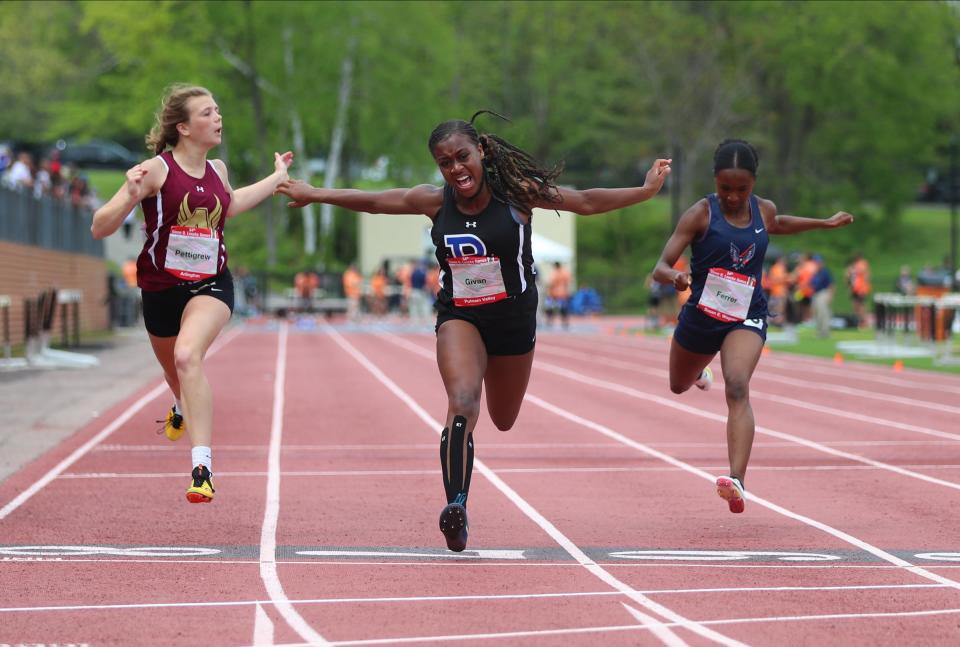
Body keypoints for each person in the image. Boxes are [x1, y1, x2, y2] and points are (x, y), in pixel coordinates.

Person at [278, 110, 671, 551]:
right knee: (462, 401)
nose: (456, 169)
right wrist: (315, 194)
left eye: (462, 157)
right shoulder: (433, 200)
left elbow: (585, 201)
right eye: (445, 163)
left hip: (514, 318)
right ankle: (457, 507)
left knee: (503, 419)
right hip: (460, 315)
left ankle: (460, 494)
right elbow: (372, 200)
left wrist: (644, 191)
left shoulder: (517, 195)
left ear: (480, 151)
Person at [91, 83, 293, 503]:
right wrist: (129, 196)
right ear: (183, 127)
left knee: (187, 356)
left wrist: (276, 179)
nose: (217, 118)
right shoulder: (157, 171)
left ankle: (202, 468)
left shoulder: (218, 169)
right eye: (207, 112)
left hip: (211, 283)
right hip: (161, 289)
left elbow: (230, 205)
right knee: (175, 373)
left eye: (218, 110)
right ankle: (181, 406)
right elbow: (100, 226)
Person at [651, 139, 852, 514]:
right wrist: (675, 278)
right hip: (702, 314)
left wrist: (823, 223)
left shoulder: (763, 210)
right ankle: (698, 371)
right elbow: (660, 265)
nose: (732, 196)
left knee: (739, 386)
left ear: (753, 184)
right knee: (678, 385)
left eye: (741, 189)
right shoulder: (700, 214)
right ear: (715, 181)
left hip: (747, 313)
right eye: (725, 188)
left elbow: (780, 223)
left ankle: (737, 480)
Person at [810, 255, 834, 338]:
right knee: (817, 313)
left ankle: (825, 332)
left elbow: (831, 284)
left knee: (823, 313)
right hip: (816, 294)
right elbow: (812, 284)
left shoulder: (825, 272)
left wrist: (830, 295)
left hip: (823, 293)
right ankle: (819, 331)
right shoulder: (815, 273)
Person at [845, 253, 871, 328]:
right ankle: (857, 320)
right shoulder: (855, 266)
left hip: (861, 289)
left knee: (861, 305)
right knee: (855, 305)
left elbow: (865, 275)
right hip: (855, 289)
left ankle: (864, 321)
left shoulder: (862, 264)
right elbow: (850, 278)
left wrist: (864, 288)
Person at [544, 261, 572, 329]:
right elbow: (568, 282)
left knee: (550, 308)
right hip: (563, 293)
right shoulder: (565, 272)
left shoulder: (555, 273)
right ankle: (565, 322)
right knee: (563, 308)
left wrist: (548, 291)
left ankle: (549, 321)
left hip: (554, 293)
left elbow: (551, 283)